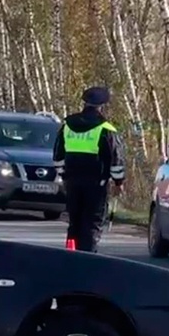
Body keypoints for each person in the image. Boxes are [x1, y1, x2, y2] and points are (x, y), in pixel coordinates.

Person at [52, 86, 126, 252]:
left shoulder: (67, 125)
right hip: (96, 184)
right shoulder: (106, 129)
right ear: (102, 106)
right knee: (92, 223)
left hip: (72, 182)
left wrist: (64, 176)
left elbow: (57, 156)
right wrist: (118, 182)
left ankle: (71, 256)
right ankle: (88, 257)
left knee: (74, 222)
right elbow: (116, 159)